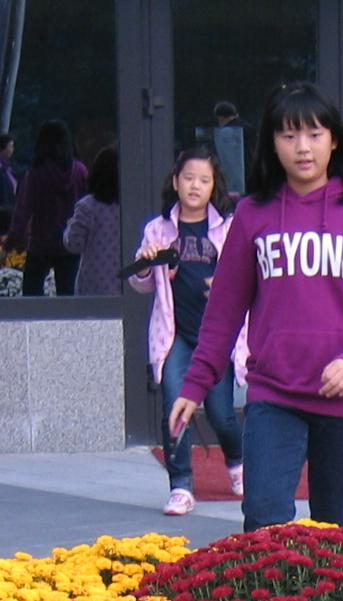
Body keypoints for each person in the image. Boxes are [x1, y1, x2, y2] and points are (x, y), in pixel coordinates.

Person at [169, 81, 343, 533]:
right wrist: (195, 384)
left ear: (333, 140)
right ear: (272, 142)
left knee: (337, 529)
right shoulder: (252, 215)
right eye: (289, 135)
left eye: (314, 134)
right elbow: (224, 311)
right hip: (274, 394)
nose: (303, 148)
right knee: (263, 521)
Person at [133, 145, 247, 516]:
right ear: (175, 181)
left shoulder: (228, 227)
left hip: (217, 336)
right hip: (176, 336)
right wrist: (146, 266)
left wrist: (225, 285)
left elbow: (247, 276)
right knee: (173, 406)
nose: (195, 186)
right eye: (188, 178)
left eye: (204, 180)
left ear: (214, 186)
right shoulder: (158, 229)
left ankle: (237, 461)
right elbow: (141, 284)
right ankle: (180, 486)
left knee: (221, 414)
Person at [5, 120, 87, 296]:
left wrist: (8, 245)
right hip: (70, 245)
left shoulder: (35, 173)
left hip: (40, 245)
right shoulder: (80, 171)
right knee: (69, 297)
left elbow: (22, 213)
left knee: (32, 296)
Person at [64, 148, 124, 297]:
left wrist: (68, 227)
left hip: (92, 281)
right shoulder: (130, 208)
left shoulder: (86, 206)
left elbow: (74, 244)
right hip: (125, 281)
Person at [212, 101, 246, 198]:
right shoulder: (249, 129)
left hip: (236, 181)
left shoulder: (228, 132)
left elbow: (229, 159)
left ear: (221, 118)